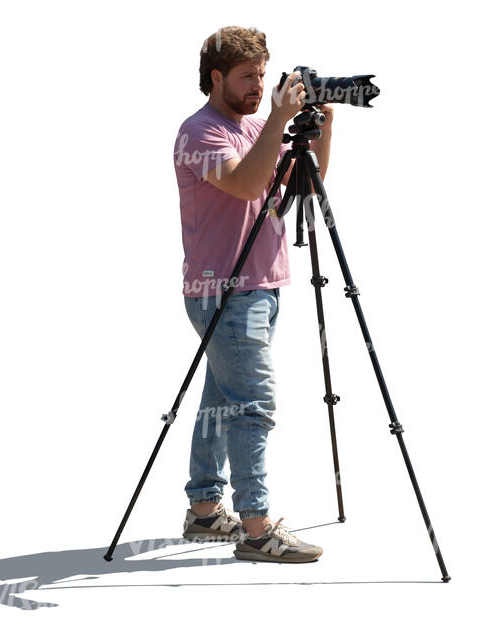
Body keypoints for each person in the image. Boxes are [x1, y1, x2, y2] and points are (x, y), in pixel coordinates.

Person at [174, 26, 333, 563]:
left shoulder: (253, 129)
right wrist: (279, 123)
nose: (259, 87)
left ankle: (203, 513)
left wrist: (321, 127)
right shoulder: (201, 133)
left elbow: (303, 188)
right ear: (216, 77)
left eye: (263, 76)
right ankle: (257, 528)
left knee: (221, 401)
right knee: (253, 405)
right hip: (224, 288)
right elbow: (243, 186)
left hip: (258, 286)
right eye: (248, 76)